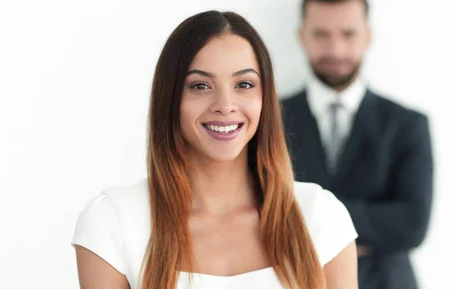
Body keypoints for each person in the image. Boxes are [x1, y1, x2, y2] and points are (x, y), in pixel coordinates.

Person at [71, 10, 358, 289]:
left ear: (264, 98)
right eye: (200, 85)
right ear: (170, 98)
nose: (225, 104)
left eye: (244, 84)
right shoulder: (113, 220)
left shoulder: (321, 216)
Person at [280, 1, 434, 289]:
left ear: (368, 36)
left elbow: (412, 224)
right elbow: (257, 212)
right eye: (321, 35)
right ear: (302, 36)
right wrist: (373, 229)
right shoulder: (269, 120)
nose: (335, 50)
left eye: (348, 34)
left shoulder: (408, 124)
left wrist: (307, 218)